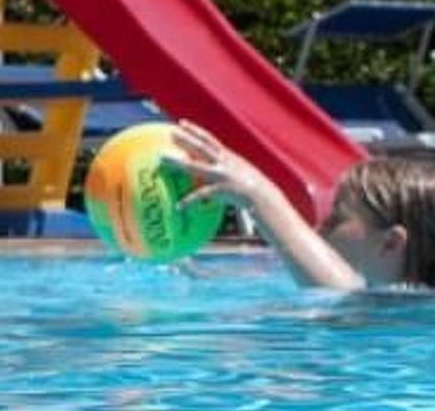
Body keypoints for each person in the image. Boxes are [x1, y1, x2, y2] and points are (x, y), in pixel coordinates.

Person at [168, 121, 435, 291]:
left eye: (337, 219)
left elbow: (341, 297)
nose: (319, 227)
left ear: (390, 244)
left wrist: (256, 193)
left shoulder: (403, 318)